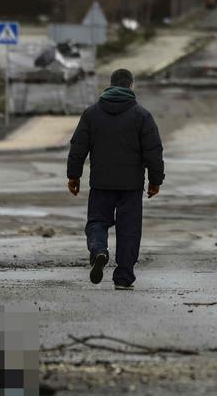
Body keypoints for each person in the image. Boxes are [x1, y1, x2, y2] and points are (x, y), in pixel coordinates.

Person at [67, 68, 165, 290]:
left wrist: (74, 175)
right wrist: (155, 181)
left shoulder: (91, 114)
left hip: (101, 183)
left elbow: (78, 148)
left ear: (110, 86)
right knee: (129, 230)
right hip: (131, 186)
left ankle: (99, 250)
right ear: (131, 86)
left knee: (97, 221)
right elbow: (153, 151)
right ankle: (123, 277)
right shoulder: (142, 116)